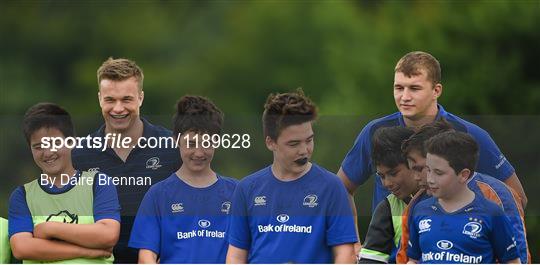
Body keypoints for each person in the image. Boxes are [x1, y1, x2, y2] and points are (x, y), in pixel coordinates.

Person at [337, 51, 527, 229]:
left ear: (436, 90)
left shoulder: (468, 134)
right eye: (398, 87)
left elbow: (516, 198)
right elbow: (340, 190)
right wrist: (353, 242)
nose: (404, 97)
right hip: (389, 255)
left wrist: (486, 246)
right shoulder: (375, 132)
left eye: (414, 88)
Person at [226, 90, 357, 263]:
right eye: (294, 144)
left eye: (309, 140)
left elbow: (345, 254)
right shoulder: (246, 188)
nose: (304, 150)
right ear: (270, 142)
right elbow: (236, 255)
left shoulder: (332, 186)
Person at [72, 58, 181, 263]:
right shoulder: (79, 154)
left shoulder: (173, 147)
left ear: (140, 98)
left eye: (127, 99)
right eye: (110, 100)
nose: (118, 108)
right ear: (99, 99)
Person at [396, 119, 530, 263]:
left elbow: (518, 257)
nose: (416, 177)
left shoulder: (496, 195)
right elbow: (406, 258)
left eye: (420, 168)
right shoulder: (417, 204)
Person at [129, 95, 237, 263]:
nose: (199, 153)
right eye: (191, 144)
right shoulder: (158, 195)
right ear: (176, 140)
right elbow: (146, 256)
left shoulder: (237, 193)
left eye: (206, 143)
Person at [9, 103, 120, 263]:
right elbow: (22, 248)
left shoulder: (98, 183)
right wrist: (86, 251)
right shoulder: (22, 196)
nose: (47, 153)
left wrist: (48, 228)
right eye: (38, 147)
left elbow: (108, 235)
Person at [358, 126, 418, 264]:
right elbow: (370, 260)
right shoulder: (387, 207)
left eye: (393, 173)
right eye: (381, 176)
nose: (386, 183)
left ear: (414, 164)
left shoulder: (445, 199)